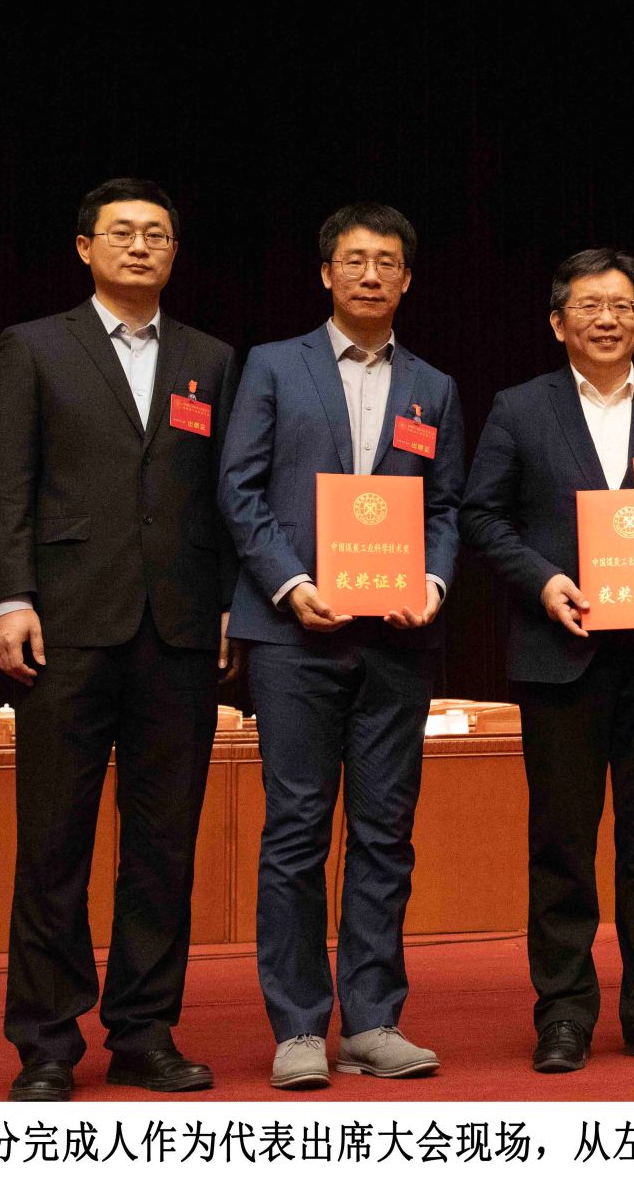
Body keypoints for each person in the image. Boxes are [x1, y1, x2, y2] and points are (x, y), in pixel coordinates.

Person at [0, 177, 239, 1102]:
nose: (141, 246)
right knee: (54, 840)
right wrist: (11, 597)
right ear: (85, 247)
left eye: (157, 234)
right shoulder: (36, 346)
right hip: (66, 625)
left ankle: (144, 1030)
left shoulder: (211, 358)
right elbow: (5, 481)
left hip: (180, 626)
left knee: (163, 843)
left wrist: (229, 602)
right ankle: (46, 1041)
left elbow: (227, 492)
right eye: (123, 232)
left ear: (175, 253)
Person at [460, 249, 634, 1073]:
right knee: (561, 843)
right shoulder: (519, 407)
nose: (606, 318)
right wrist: (543, 582)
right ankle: (564, 1013)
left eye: (621, 305)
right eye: (588, 305)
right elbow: (483, 513)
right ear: (558, 322)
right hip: (560, 656)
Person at [218, 203, 466, 1088]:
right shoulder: (272, 365)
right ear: (326, 273)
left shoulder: (434, 385)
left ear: (408, 279)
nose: (370, 274)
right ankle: (296, 1025)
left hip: (396, 640)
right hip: (294, 633)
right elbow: (239, 489)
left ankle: (371, 1019)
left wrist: (433, 582)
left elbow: (445, 505)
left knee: (385, 832)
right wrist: (291, 583)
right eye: (354, 259)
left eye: (387, 261)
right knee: (295, 828)